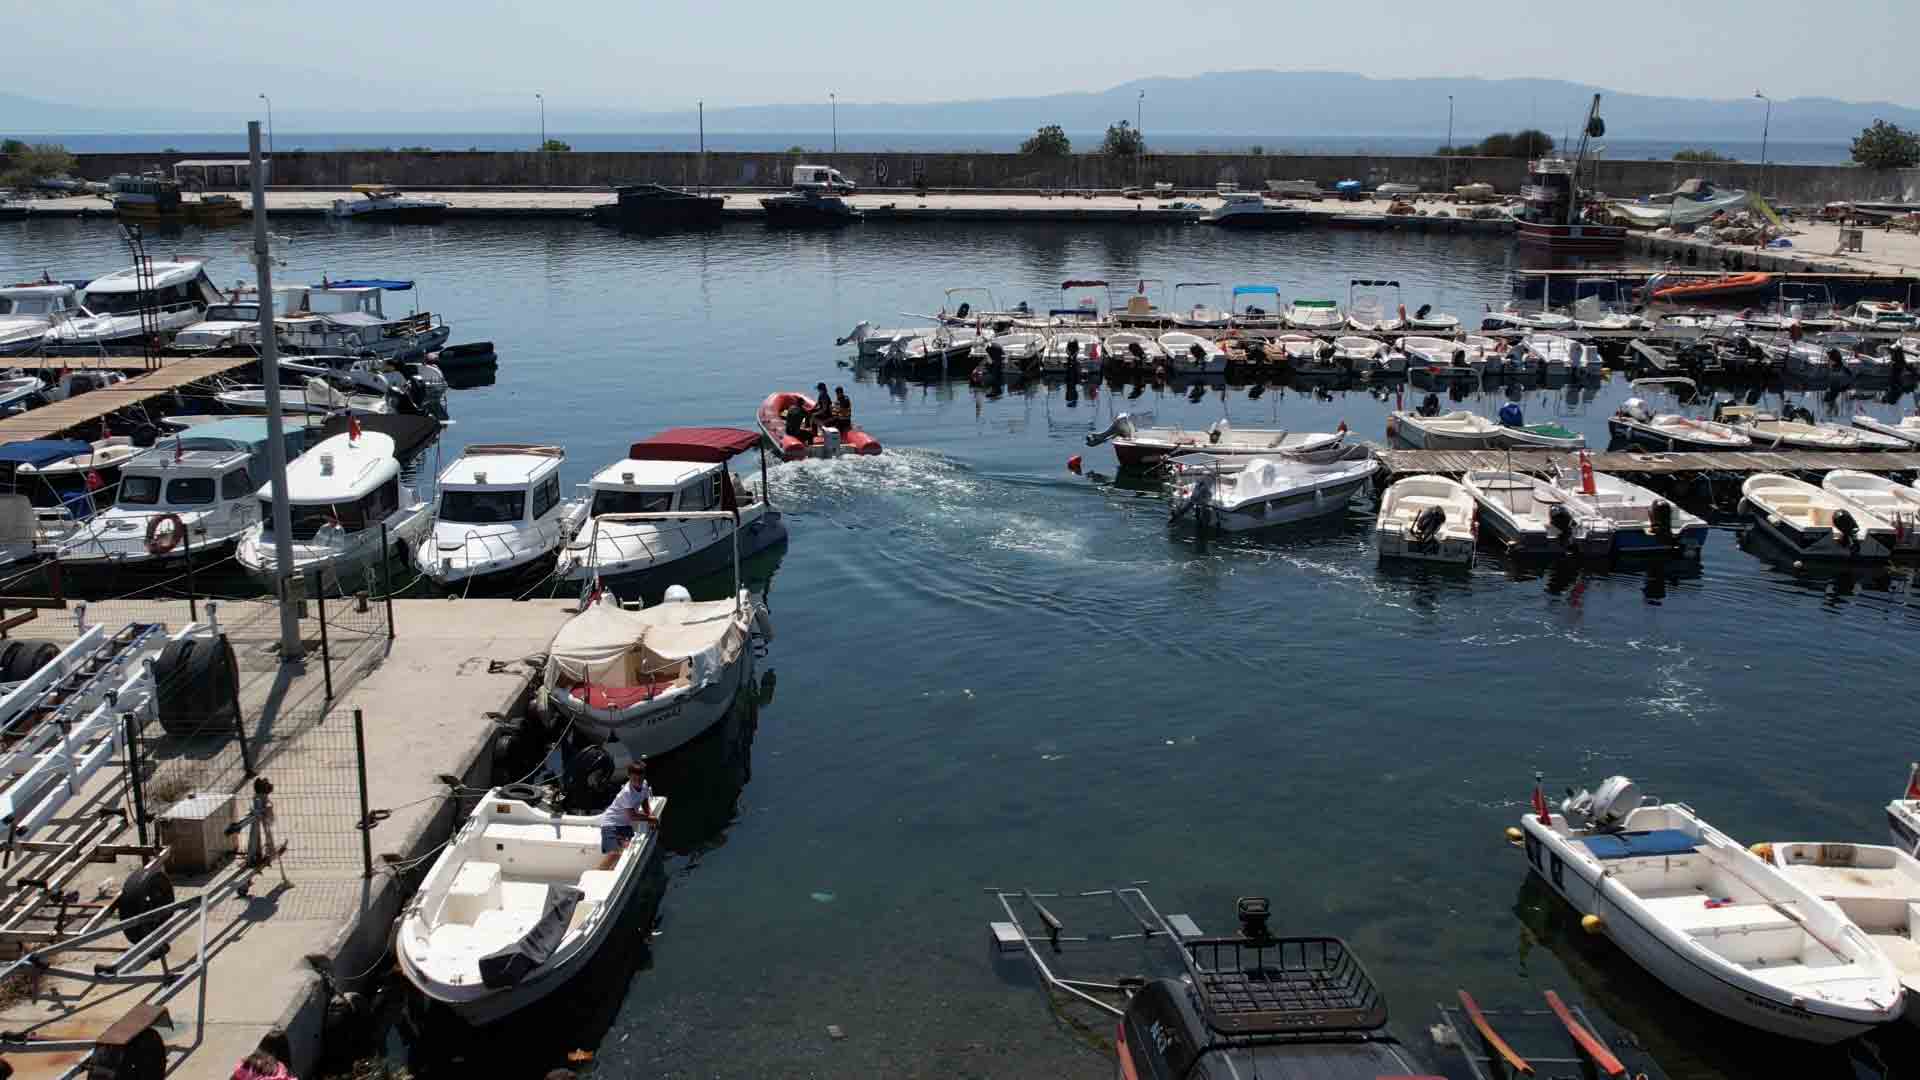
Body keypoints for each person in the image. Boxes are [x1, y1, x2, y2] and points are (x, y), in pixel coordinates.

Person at [597, 760, 656, 870]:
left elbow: (644, 800)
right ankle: (597, 874)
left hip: (624, 825)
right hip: (610, 824)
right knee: (614, 853)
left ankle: (610, 872)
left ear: (644, 776)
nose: (638, 781)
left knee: (626, 851)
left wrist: (649, 814)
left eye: (640, 778)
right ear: (629, 776)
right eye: (634, 779)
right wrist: (650, 818)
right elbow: (632, 816)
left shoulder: (644, 784)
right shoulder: (627, 793)